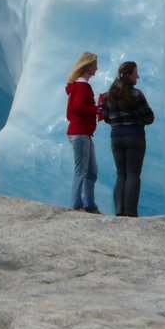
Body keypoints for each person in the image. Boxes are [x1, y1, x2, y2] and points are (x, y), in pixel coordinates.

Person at [101, 61, 154, 217]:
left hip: (116, 136)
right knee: (133, 174)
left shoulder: (110, 95)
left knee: (121, 174)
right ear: (130, 75)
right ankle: (130, 212)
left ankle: (119, 210)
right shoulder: (136, 94)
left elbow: (105, 116)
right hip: (135, 136)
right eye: (136, 72)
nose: (138, 76)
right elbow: (148, 118)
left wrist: (117, 123)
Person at [65, 52, 101, 213]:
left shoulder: (79, 86)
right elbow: (78, 107)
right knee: (82, 170)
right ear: (87, 66)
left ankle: (89, 204)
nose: (97, 68)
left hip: (83, 132)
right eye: (95, 65)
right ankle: (77, 204)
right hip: (80, 132)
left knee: (91, 171)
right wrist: (96, 109)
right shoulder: (82, 86)